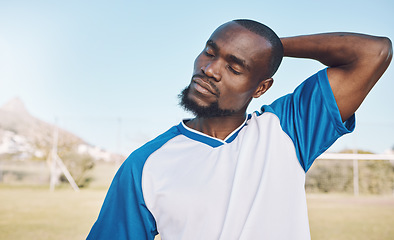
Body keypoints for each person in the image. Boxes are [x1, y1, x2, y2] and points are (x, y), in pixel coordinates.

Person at [87, 19, 392, 240]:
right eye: (210, 52)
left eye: (234, 67)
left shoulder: (289, 129)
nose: (209, 70)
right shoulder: (145, 165)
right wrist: (253, 49)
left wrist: (270, 47)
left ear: (261, 87)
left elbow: (374, 52)